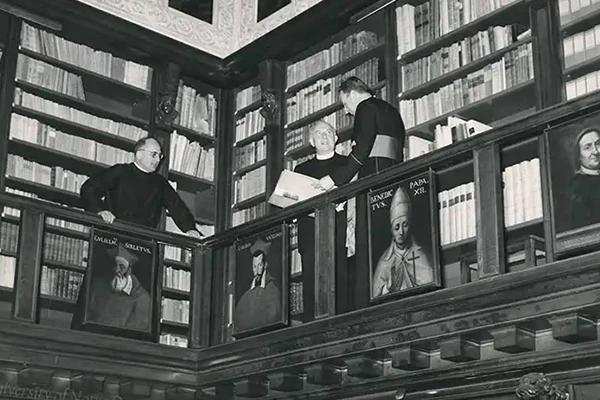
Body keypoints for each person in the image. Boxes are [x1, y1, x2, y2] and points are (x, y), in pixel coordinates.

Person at [315, 76, 407, 310]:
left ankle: (368, 305)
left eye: (344, 104)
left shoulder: (366, 108)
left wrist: (334, 179)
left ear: (352, 94)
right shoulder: (391, 110)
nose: (346, 111)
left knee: (368, 246)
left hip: (372, 180)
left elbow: (362, 150)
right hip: (392, 177)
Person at [79, 137, 201, 238]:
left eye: (160, 156)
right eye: (153, 154)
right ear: (139, 154)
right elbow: (89, 188)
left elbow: (177, 207)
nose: (158, 159)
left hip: (143, 242)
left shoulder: (160, 183)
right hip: (111, 235)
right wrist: (99, 210)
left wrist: (190, 229)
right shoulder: (120, 171)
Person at [293, 120, 349, 316]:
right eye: (318, 134)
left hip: (340, 230)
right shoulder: (300, 169)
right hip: (310, 233)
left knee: (342, 279)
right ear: (311, 141)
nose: (324, 137)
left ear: (335, 138)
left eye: (328, 133)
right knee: (312, 282)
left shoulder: (347, 164)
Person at [372, 186, 433, 298]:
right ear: (391, 230)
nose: (401, 232)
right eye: (397, 227)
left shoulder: (421, 254)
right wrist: (388, 287)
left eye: (405, 225)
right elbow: (376, 295)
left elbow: (430, 282)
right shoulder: (385, 261)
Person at [87, 244, 151, 331]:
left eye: (121, 267)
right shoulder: (98, 285)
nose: (116, 270)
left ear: (129, 271)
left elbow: (136, 330)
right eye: (115, 265)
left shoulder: (142, 298)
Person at [234, 239, 282, 333]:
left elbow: (273, 316)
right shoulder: (247, 294)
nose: (257, 271)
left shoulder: (272, 290)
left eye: (259, 265)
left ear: (265, 265)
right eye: (254, 267)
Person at [570, 127, 600, 229]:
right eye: (588, 147)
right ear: (578, 155)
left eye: (598, 144)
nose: (595, 151)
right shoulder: (578, 188)